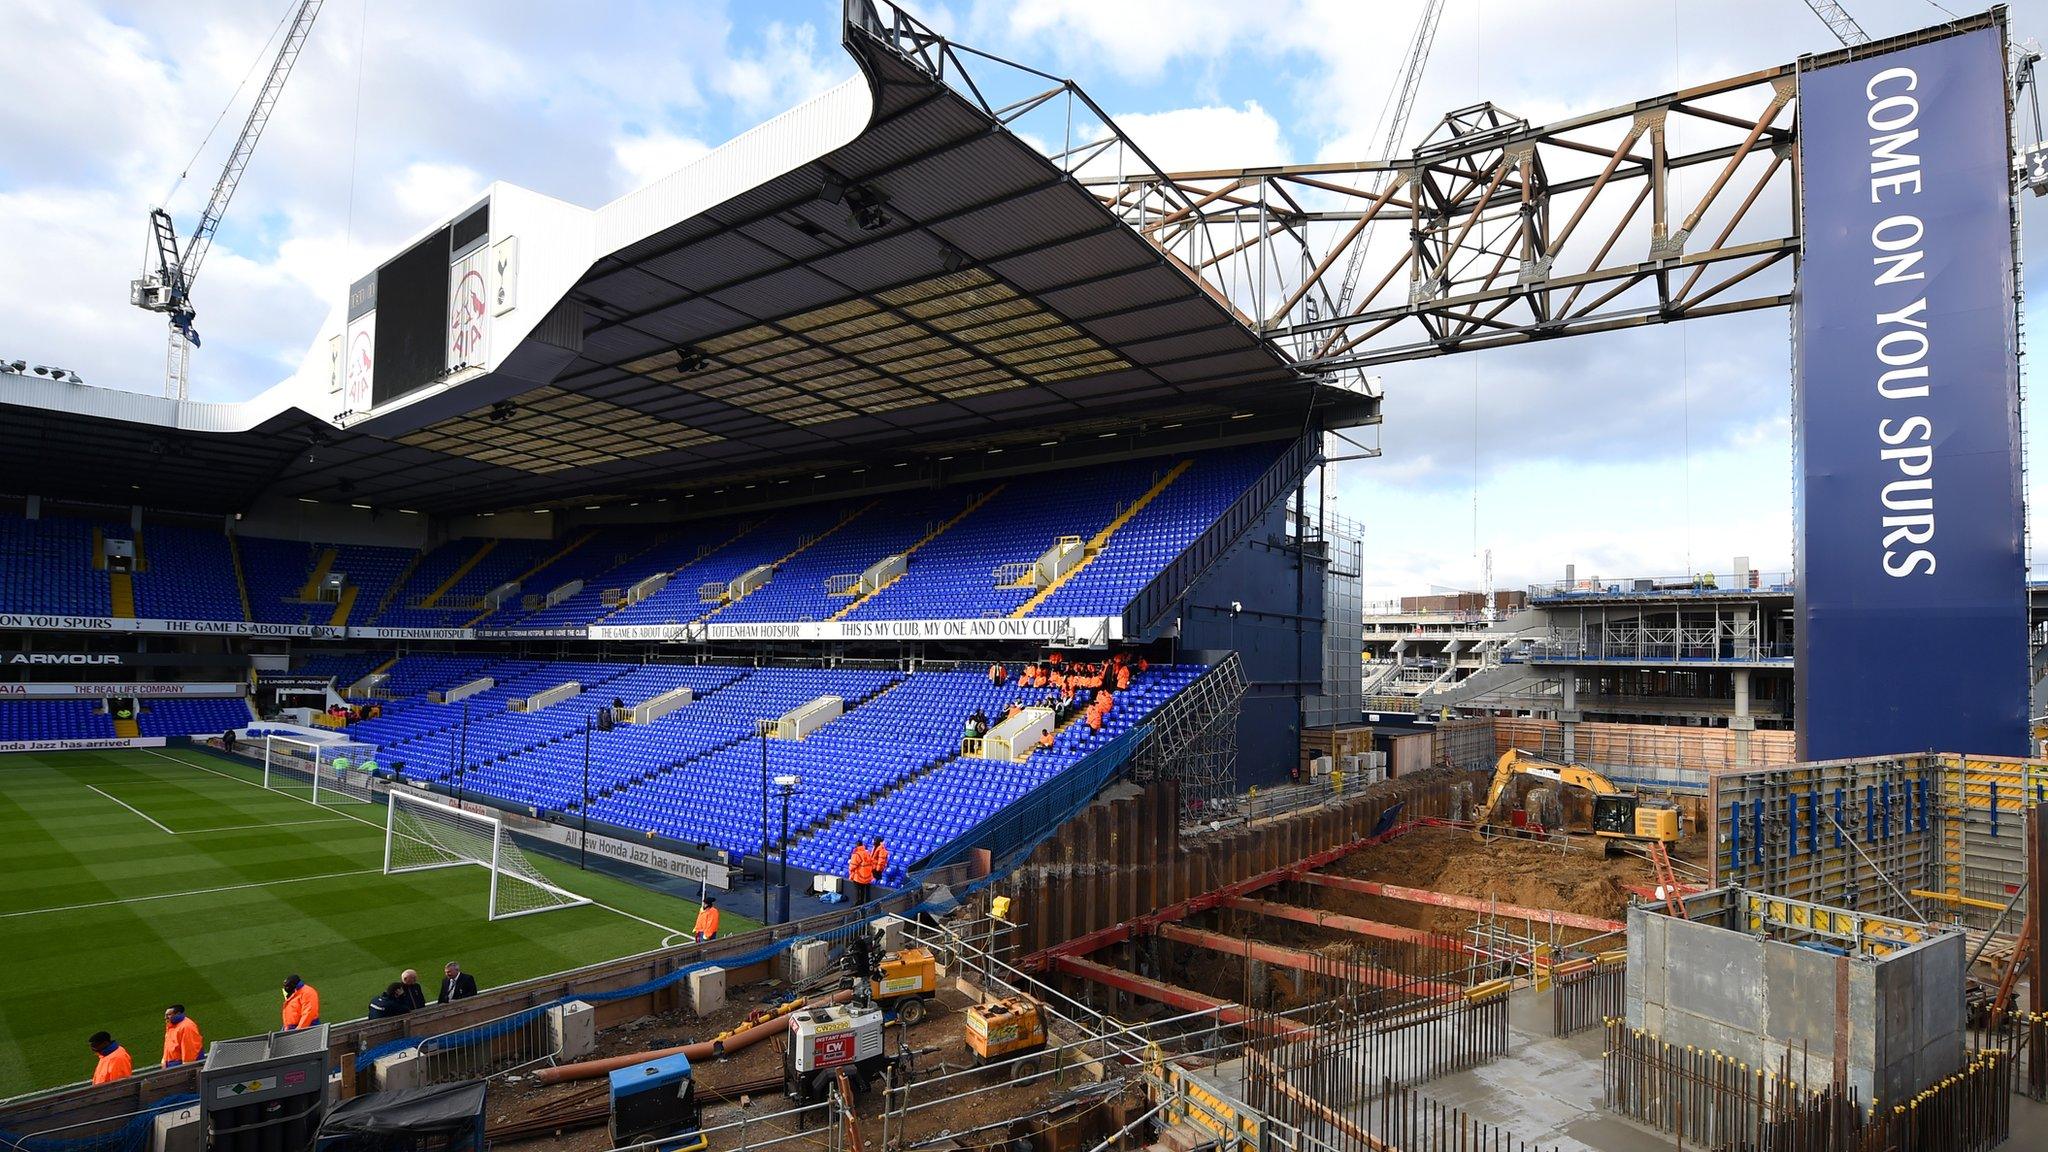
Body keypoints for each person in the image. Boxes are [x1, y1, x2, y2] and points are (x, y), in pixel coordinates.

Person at [848, 838, 874, 904]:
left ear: (856, 845)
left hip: (859, 876)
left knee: (858, 891)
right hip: (867, 875)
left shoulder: (856, 854)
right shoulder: (867, 852)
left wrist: (850, 873)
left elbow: (852, 866)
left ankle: (858, 903)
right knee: (865, 891)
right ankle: (866, 903)